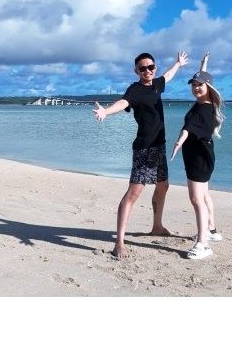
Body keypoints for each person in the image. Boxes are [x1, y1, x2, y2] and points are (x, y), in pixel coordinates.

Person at [93, 50, 189, 259]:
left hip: (159, 146)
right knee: (133, 194)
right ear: (136, 71)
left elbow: (168, 76)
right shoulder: (134, 90)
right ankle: (119, 242)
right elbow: (123, 103)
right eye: (143, 68)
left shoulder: (156, 85)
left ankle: (157, 226)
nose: (147, 71)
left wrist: (178, 64)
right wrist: (106, 112)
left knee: (163, 185)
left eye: (151, 67)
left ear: (155, 68)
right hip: (144, 149)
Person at [170, 58, 224, 260]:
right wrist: (204, 65)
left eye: (199, 85)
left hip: (198, 158)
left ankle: (203, 244)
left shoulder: (202, 110)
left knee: (196, 199)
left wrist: (178, 143)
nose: (196, 88)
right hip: (205, 155)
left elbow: (187, 129)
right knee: (204, 195)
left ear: (208, 87)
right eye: (193, 85)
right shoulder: (207, 105)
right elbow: (203, 78)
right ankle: (211, 230)